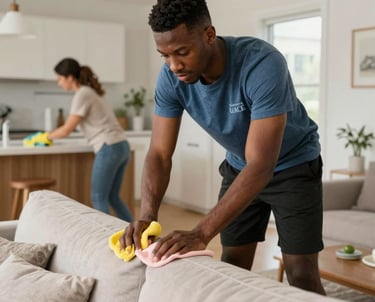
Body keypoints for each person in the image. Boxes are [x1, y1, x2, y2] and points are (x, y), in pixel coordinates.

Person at [121, 0, 325, 294]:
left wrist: (201, 232)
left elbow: (261, 165)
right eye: (164, 55)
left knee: (301, 274)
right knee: (231, 268)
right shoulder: (171, 78)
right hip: (240, 166)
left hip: (293, 166)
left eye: (182, 52)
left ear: (209, 34)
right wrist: (147, 215)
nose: (174, 65)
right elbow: (159, 154)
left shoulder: (262, 64)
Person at [46, 58, 132, 222]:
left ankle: (103, 239)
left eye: (60, 79)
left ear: (70, 77)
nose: (59, 83)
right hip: (121, 146)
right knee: (113, 197)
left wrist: (45, 136)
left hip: (109, 147)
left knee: (98, 197)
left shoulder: (82, 94)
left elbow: (67, 129)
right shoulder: (90, 92)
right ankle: (138, 234)